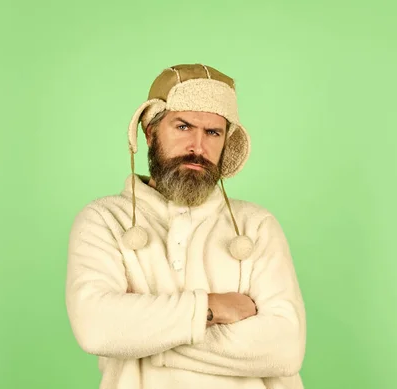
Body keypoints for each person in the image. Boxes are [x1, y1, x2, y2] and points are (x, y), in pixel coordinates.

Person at [65, 63, 307, 389]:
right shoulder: (104, 220)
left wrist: (147, 343)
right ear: (149, 132)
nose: (198, 146)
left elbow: (284, 349)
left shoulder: (257, 226)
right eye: (183, 127)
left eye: (212, 132)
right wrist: (212, 308)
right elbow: (96, 326)